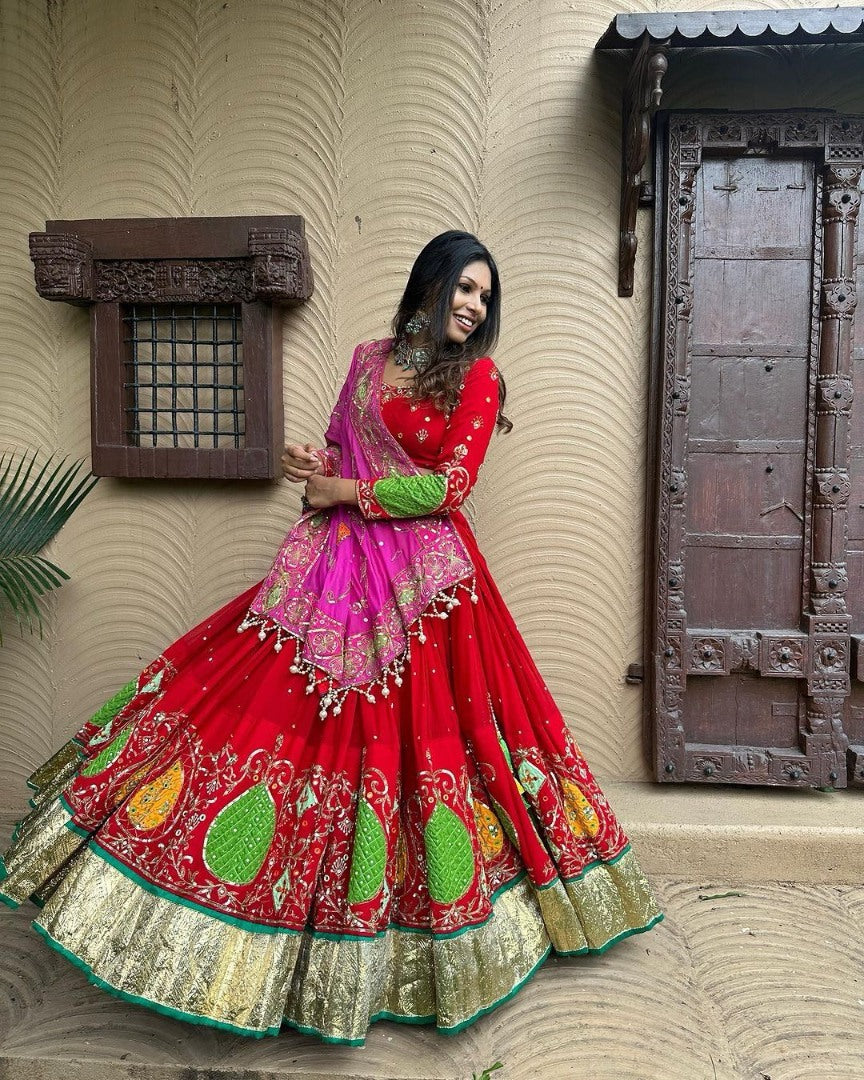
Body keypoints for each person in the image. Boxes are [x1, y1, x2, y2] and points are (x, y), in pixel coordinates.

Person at [0, 231, 661, 1045]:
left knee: (430, 744)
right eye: (465, 288)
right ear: (430, 283)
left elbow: (450, 486)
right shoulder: (365, 358)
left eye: (486, 298)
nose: (473, 306)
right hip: (334, 569)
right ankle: (243, 914)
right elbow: (340, 449)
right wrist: (314, 462)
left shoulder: (479, 378)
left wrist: (341, 487)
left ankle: (424, 935)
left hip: (426, 583)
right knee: (270, 708)